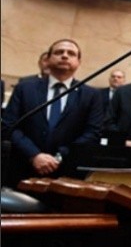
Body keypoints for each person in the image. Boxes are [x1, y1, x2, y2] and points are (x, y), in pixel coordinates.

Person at [2, 39, 104, 185]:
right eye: (58, 52)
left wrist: (59, 157)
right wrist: (34, 155)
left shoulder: (91, 95)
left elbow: (93, 133)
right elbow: (9, 125)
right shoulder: (25, 88)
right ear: (48, 59)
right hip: (22, 168)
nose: (64, 56)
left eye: (71, 53)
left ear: (78, 62)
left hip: (65, 174)